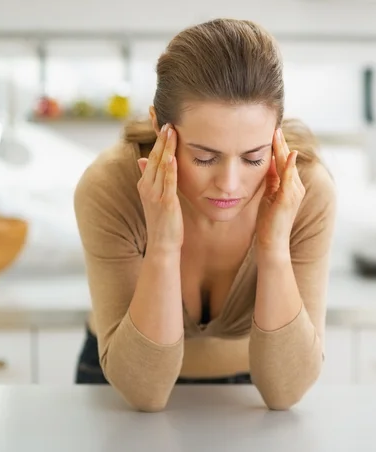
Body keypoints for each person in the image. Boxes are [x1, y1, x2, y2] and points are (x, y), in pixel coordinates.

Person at [73, 17, 336, 412]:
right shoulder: (111, 187)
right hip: (119, 380)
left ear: (276, 136)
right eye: (204, 157)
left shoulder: (306, 190)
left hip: (251, 387)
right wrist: (162, 245)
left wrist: (273, 246)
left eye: (253, 157)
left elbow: (285, 392)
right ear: (160, 128)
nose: (229, 184)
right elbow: (144, 394)